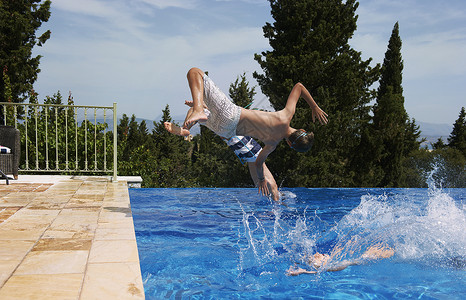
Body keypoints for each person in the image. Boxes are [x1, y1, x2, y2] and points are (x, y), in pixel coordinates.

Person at [165, 67, 328, 197]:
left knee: (194, 73)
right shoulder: (272, 144)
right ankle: (188, 128)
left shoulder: (286, 115)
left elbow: (299, 86)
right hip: (227, 131)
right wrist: (262, 179)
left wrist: (314, 106)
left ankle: (197, 112)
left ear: (302, 130)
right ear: (290, 144)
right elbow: (258, 163)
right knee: (201, 110)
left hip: (232, 114)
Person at [165, 101, 280, 201]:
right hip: (241, 141)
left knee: (259, 181)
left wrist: (196, 105)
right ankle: (276, 202)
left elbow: (210, 108)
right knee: (268, 182)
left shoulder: (209, 112)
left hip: (236, 142)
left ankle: (185, 129)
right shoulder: (212, 111)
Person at [286, 243, 395, 276]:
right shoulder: (337, 264)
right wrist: (303, 272)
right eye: (319, 255)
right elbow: (321, 270)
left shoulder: (338, 259)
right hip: (365, 258)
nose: (318, 253)